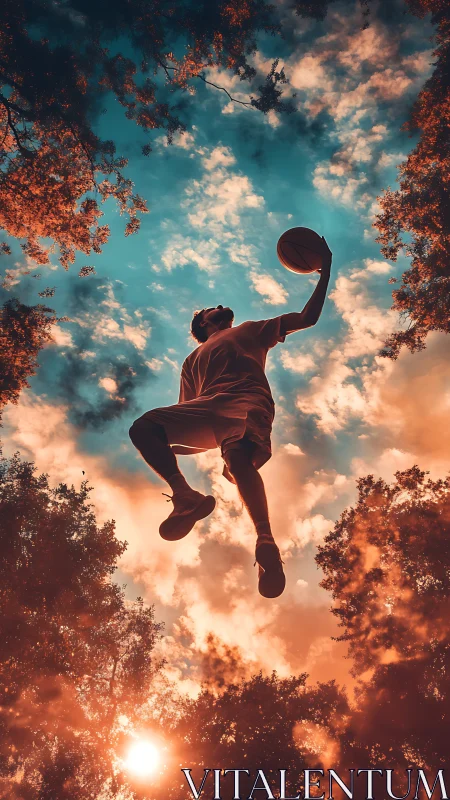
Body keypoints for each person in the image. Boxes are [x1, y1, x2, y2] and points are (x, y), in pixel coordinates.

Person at [129, 238, 332, 598]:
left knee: (237, 458)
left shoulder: (250, 329)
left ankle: (265, 539)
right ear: (202, 322)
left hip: (246, 399)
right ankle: (185, 496)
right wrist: (167, 449)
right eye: (213, 308)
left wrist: (325, 270)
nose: (221, 306)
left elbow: (307, 318)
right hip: (208, 406)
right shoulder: (191, 362)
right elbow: (186, 412)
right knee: (144, 427)